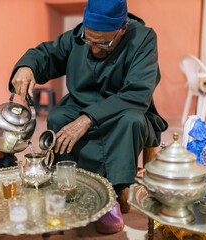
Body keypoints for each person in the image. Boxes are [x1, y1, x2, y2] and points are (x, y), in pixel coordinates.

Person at [9, 0, 168, 233]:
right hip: (80, 105)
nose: (93, 49)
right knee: (59, 117)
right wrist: (27, 66)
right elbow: (48, 53)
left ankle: (110, 198)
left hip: (124, 107)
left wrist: (87, 120)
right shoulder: (79, 36)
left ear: (122, 29)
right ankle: (70, 187)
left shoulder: (143, 39)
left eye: (103, 43)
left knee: (129, 122)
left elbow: (137, 92)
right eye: (89, 40)